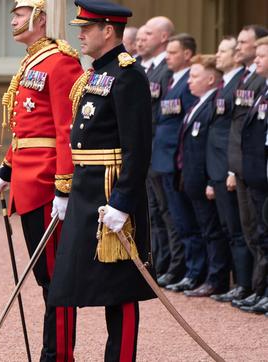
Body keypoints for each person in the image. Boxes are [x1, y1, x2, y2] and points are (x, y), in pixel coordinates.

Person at [46, 1, 155, 360]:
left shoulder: (128, 75)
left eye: (87, 28)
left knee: (119, 290)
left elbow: (136, 148)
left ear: (108, 30)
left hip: (111, 191)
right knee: (64, 283)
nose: (80, 33)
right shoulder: (93, 74)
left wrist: (123, 203)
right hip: (84, 190)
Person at [0, 0, 84, 359]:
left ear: (40, 18)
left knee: (56, 279)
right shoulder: (31, 60)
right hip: (27, 180)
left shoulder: (61, 62)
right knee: (45, 277)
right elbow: (25, 128)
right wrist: (6, 169)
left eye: (19, 13)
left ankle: (58, 354)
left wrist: (64, 185)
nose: (12, 19)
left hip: (46, 183)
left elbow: (65, 129)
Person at [152, 33, 201, 293]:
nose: (168, 57)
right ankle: (176, 266)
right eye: (167, 52)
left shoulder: (189, 82)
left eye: (173, 53)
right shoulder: (171, 81)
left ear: (187, 54)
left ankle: (190, 270)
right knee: (168, 218)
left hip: (174, 160)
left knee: (181, 220)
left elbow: (185, 125)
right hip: (160, 158)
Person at [179, 54, 230, 297]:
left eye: (195, 76)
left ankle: (216, 279)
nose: (189, 81)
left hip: (205, 179)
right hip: (191, 178)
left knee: (212, 230)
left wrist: (211, 180)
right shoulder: (196, 104)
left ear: (211, 79)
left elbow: (214, 147)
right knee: (202, 228)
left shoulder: (212, 106)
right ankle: (205, 274)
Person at [209, 36, 253, 302]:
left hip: (230, 165)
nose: (218, 55)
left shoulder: (240, 83)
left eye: (224, 51)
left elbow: (234, 133)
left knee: (239, 230)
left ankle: (245, 284)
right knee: (231, 229)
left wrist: (230, 170)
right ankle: (241, 284)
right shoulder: (228, 83)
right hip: (217, 164)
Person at [227, 25, 268, 309]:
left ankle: (261, 289)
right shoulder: (256, 83)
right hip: (249, 168)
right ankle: (259, 288)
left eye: (263, 56)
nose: (257, 60)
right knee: (254, 231)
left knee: (261, 232)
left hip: (259, 171)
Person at [141, 16, 179, 283]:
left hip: (161, 150)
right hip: (148, 150)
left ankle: (173, 265)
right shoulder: (148, 69)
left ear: (163, 37)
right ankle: (161, 261)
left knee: (168, 212)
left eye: (149, 34)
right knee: (153, 212)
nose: (142, 39)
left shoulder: (167, 70)